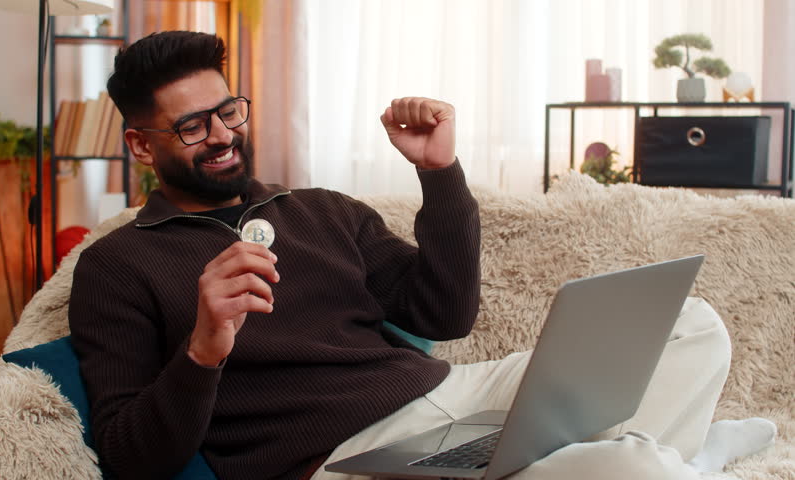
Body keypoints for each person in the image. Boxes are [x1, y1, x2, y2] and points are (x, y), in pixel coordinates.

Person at [69, 31, 775, 480]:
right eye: (193, 127)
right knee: (626, 473)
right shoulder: (116, 266)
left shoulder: (319, 209)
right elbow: (133, 455)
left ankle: (671, 458)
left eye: (229, 112)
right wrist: (204, 348)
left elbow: (446, 314)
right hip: (336, 459)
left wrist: (439, 173)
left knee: (691, 322)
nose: (223, 135)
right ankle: (686, 459)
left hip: (441, 398)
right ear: (141, 144)